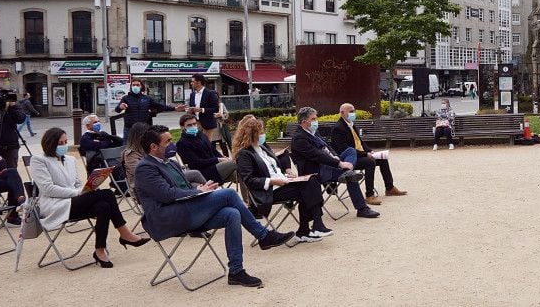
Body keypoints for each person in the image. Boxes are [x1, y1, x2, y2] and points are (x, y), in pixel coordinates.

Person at [133, 128, 293, 287]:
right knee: (229, 194)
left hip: (187, 211)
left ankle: (236, 271)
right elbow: (166, 194)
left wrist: (203, 188)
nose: (172, 144)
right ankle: (263, 235)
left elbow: (184, 187)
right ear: (153, 147)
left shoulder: (171, 163)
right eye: (167, 141)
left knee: (232, 214)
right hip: (168, 218)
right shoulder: (145, 167)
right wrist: (197, 191)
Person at [31, 128, 150, 268]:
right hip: (55, 205)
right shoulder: (39, 160)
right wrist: (78, 193)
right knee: (108, 194)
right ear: (50, 143)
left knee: (103, 206)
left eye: (65, 142)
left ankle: (99, 250)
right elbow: (47, 189)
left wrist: (88, 188)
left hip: (74, 202)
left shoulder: (70, 159)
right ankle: (125, 234)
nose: (64, 145)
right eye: (60, 143)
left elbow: (77, 184)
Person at [233, 115, 331, 244]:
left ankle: (310, 228)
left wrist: (285, 175)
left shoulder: (262, 148)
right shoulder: (244, 154)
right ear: (252, 134)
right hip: (268, 191)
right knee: (307, 188)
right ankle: (311, 228)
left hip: (282, 183)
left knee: (311, 181)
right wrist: (273, 181)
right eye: (261, 132)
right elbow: (249, 180)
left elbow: (274, 168)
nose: (264, 135)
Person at [289, 107, 378, 218]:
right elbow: (318, 156)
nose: (316, 121)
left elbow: (327, 146)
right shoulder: (299, 138)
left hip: (330, 162)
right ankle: (362, 208)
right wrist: (339, 163)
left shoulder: (312, 131)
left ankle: (346, 171)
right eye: (313, 119)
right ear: (304, 122)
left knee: (350, 151)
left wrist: (336, 157)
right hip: (318, 170)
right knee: (350, 175)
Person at [330, 103, 407, 204]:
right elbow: (344, 149)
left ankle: (390, 188)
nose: (354, 113)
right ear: (342, 113)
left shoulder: (351, 124)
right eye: (351, 111)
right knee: (369, 162)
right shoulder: (338, 128)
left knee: (383, 158)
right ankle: (369, 195)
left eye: (354, 111)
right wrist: (365, 154)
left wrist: (370, 151)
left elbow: (360, 143)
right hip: (349, 159)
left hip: (360, 154)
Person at [176, 114, 237, 184]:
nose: (193, 126)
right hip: (203, 173)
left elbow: (213, 150)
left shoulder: (201, 135)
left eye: (194, 124)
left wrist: (222, 157)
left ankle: (249, 195)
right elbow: (196, 163)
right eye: (189, 125)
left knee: (242, 174)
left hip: (216, 168)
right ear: (182, 127)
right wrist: (217, 160)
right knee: (236, 162)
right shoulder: (182, 143)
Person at [184, 74, 226, 155]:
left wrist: (202, 110)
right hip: (196, 123)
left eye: (192, 81)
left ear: (199, 82)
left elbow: (216, 108)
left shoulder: (210, 93)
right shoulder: (192, 94)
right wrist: (189, 110)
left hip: (208, 123)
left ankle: (210, 159)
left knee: (206, 144)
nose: (191, 83)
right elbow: (192, 108)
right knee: (195, 143)